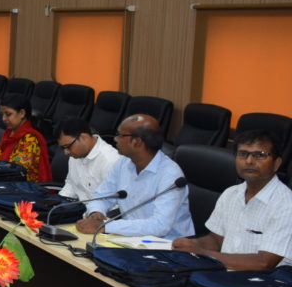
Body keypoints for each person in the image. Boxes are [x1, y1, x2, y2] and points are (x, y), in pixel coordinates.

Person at [173, 130, 292, 269]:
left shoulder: (286, 204)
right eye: (243, 154)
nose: (249, 161)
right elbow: (216, 240)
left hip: (265, 279)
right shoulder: (231, 193)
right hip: (221, 272)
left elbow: (264, 263)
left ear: (277, 163)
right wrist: (194, 244)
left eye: (259, 155)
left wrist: (203, 253)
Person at [76, 114, 194, 239]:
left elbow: (160, 226)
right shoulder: (123, 162)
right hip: (131, 239)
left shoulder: (170, 174)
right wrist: (96, 212)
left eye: (120, 135)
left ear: (137, 142)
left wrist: (105, 226)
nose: (115, 139)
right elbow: (103, 195)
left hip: (168, 244)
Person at [0, 94, 51, 182]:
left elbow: (17, 170)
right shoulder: (9, 133)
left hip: (22, 186)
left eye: (8, 114)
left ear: (22, 113)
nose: (4, 119)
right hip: (4, 179)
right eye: (2, 114)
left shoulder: (30, 139)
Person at [57, 117, 121, 201]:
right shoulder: (75, 155)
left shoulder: (110, 161)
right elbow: (71, 185)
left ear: (84, 137)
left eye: (68, 146)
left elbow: (114, 203)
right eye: (62, 148)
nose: (66, 152)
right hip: (78, 206)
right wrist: (58, 203)